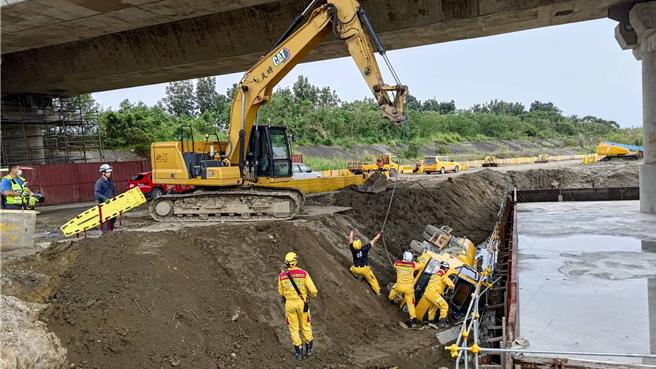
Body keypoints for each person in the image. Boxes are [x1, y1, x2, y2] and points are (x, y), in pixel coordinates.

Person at [277, 251, 318, 361]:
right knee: (305, 325)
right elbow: (313, 290)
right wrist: (311, 295)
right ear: (295, 261)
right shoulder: (303, 273)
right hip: (302, 304)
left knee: (294, 328)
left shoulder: (282, 276)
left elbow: (280, 292)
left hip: (289, 304)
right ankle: (308, 349)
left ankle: (298, 352)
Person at [388, 250, 423, 328]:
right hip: (408, 289)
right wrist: (419, 259)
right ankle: (413, 319)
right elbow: (421, 265)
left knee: (393, 290)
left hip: (399, 286)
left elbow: (395, 265)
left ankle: (390, 301)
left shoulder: (397, 263)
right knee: (411, 304)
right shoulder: (413, 265)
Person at [348, 229, 382, 295]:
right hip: (365, 269)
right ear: (360, 244)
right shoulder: (365, 249)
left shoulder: (353, 249)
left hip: (356, 269)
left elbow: (350, 239)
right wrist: (379, 235)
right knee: (373, 280)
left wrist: (351, 231)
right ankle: (378, 292)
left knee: (351, 268)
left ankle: (357, 276)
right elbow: (373, 241)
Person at [425, 261, 456, 328]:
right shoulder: (443, 276)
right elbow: (450, 284)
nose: (447, 270)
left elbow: (437, 285)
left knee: (433, 307)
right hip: (434, 294)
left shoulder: (435, 274)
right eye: (447, 268)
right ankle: (441, 322)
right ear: (445, 268)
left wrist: (442, 292)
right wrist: (452, 286)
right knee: (445, 306)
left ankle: (430, 320)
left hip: (428, 293)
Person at [94, 164, 117, 232]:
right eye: (108, 172)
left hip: (111, 203)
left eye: (110, 172)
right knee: (105, 219)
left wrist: (115, 198)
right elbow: (97, 193)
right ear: (103, 172)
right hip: (104, 204)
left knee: (113, 218)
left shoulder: (110, 181)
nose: (110, 173)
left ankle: (111, 232)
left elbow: (113, 191)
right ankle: (105, 235)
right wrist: (105, 199)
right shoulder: (99, 182)